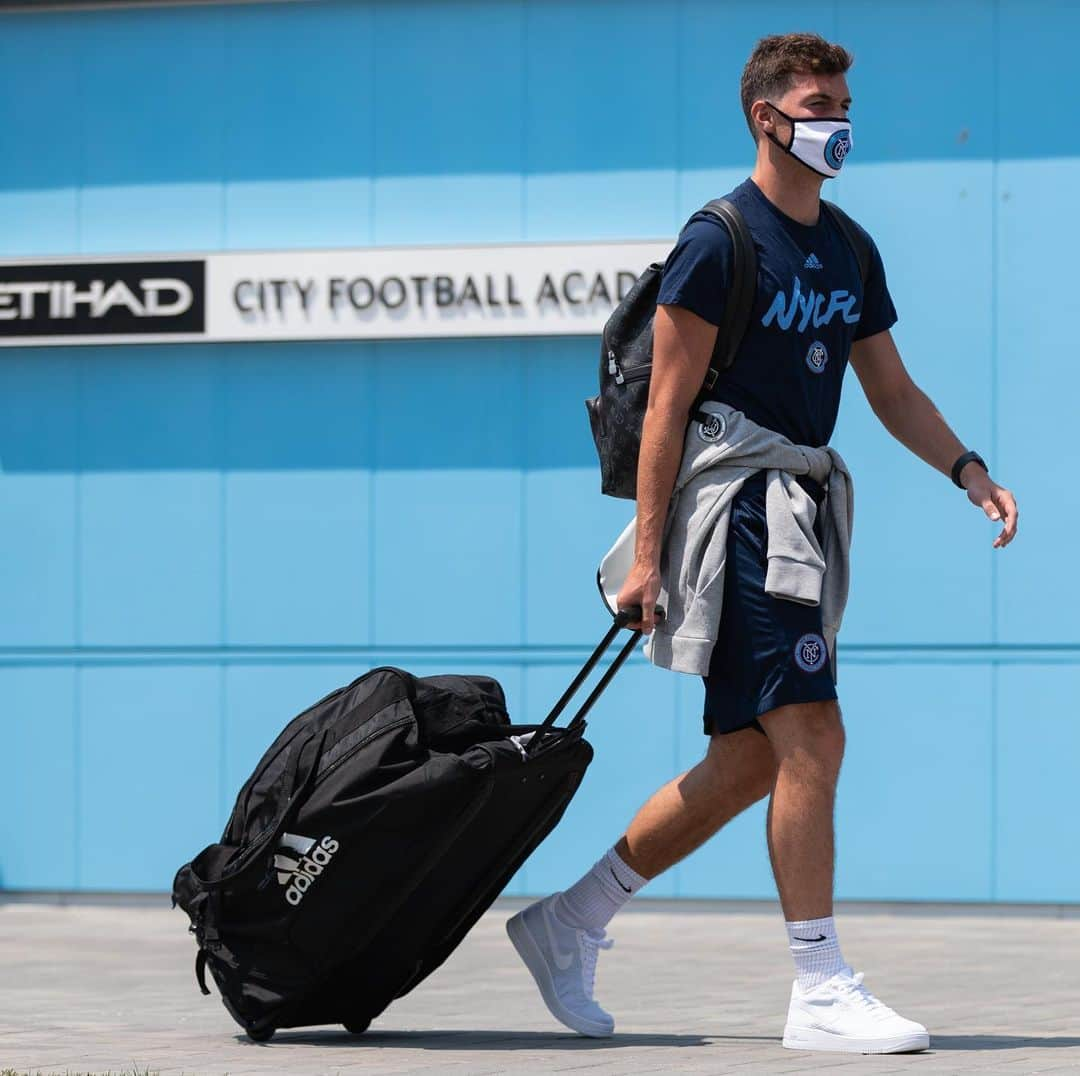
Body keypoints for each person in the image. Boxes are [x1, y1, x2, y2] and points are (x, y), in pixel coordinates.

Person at [506, 32, 1019, 1055]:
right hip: (740, 503)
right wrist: (648, 556)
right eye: (821, 104)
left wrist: (968, 469)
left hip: (801, 504)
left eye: (844, 107)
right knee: (814, 731)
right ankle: (820, 980)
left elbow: (890, 389)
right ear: (767, 118)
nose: (840, 124)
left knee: (750, 756)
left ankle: (569, 919)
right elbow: (664, 408)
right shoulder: (719, 238)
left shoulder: (848, 247)